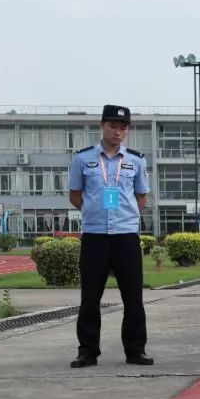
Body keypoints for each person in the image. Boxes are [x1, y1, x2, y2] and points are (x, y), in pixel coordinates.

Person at [68, 105, 153, 367]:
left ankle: (135, 350)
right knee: (90, 298)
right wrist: (95, 212)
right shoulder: (82, 159)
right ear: (101, 126)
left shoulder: (136, 160)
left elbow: (141, 198)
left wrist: (123, 215)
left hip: (126, 236)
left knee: (133, 298)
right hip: (94, 236)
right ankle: (88, 351)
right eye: (113, 126)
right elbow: (75, 195)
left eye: (123, 127)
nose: (118, 132)